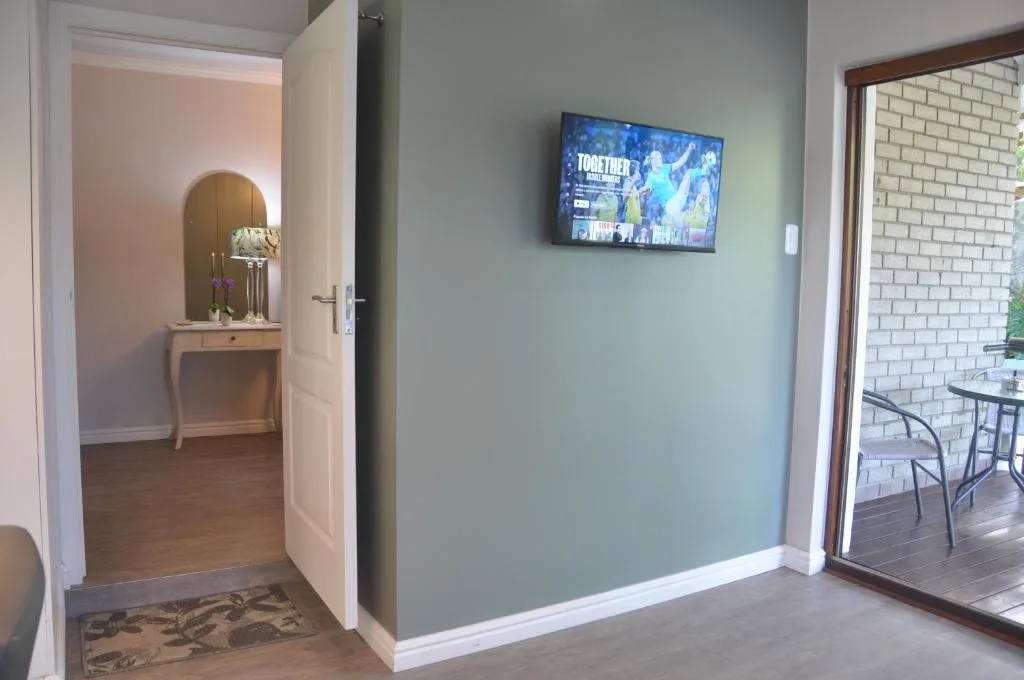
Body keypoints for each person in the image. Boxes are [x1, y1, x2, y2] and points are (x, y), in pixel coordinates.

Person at [638, 141, 696, 220]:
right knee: (680, 223)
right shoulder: (651, 177)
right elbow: (646, 189)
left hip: (678, 198)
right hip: (670, 204)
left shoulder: (664, 168)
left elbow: (679, 163)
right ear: (653, 161)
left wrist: (689, 150)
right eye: (658, 158)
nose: (661, 160)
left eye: (661, 158)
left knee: (689, 172)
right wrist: (638, 193)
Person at [621, 160, 643, 225]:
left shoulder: (633, 185)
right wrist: (634, 181)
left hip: (636, 220)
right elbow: (624, 199)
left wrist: (641, 192)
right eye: (638, 170)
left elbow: (634, 199)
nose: (639, 172)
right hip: (631, 221)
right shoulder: (628, 182)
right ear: (635, 171)